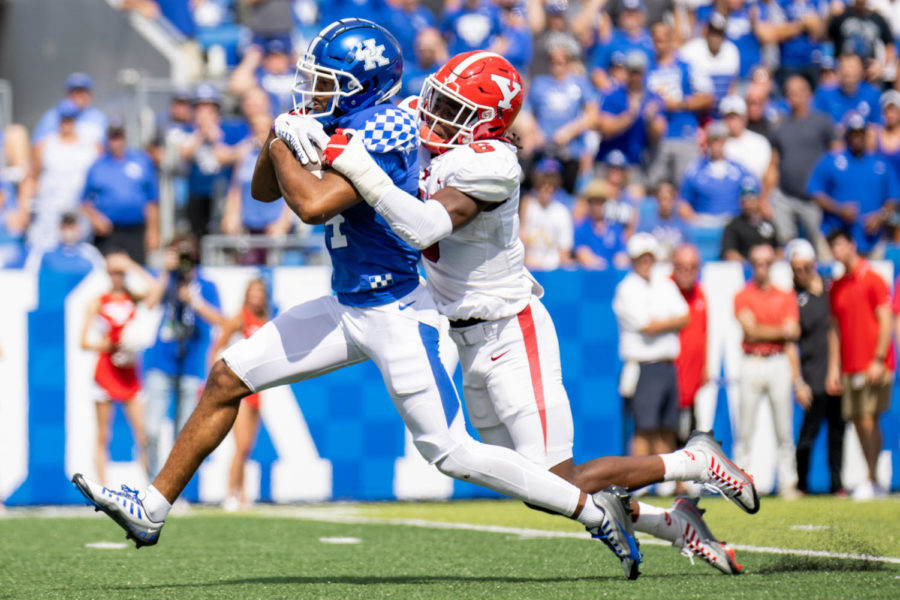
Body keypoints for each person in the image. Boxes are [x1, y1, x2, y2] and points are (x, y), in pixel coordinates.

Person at [74, 22, 647, 576]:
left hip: (398, 312)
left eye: (324, 81)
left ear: (361, 85)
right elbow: (262, 191)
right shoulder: (342, 117)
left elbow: (314, 204)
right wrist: (280, 135)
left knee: (450, 452)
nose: (311, 91)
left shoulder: (387, 129)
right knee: (227, 376)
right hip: (347, 305)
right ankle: (150, 508)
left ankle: (595, 511)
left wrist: (282, 141)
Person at [324, 52, 757, 576]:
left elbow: (420, 228)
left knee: (560, 479)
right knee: (538, 488)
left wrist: (355, 165)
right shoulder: (441, 134)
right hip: (468, 340)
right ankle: (676, 521)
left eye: (451, 108)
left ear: (487, 121)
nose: (433, 116)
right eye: (436, 100)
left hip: (510, 330)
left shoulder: (490, 163)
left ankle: (695, 462)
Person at [141, 233, 224, 478]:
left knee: (184, 433)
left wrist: (195, 302)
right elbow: (149, 302)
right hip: (162, 360)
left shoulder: (206, 285)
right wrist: (167, 272)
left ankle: (173, 489)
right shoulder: (168, 280)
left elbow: (220, 320)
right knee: (152, 429)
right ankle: (153, 483)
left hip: (191, 363)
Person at [827, 229, 893, 499]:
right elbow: (835, 329)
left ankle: (873, 478)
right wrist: (834, 367)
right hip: (850, 365)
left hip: (873, 363)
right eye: (833, 247)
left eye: (841, 244)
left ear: (852, 245)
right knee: (856, 420)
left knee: (869, 419)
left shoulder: (874, 280)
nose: (837, 251)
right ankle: (871, 476)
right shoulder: (838, 285)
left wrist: (879, 359)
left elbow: (886, 320)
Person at [80, 250, 154, 485]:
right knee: (103, 434)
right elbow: (83, 342)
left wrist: (131, 263)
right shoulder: (97, 302)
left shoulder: (133, 298)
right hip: (106, 371)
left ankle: (151, 488)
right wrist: (107, 344)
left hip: (129, 372)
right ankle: (103, 488)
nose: (117, 277)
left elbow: (155, 289)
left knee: (143, 434)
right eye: (113, 272)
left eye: (120, 273)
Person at [613, 234, 688, 463]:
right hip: (643, 367)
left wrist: (661, 323)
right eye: (641, 258)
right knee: (644, 427)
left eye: (649, 258)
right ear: (633, 260)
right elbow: (647, 325)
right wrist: (668, 322)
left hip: (666, 365)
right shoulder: (626, 289)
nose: (646, 263)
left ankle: (664, 482)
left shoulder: (664, 283)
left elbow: (684, 317)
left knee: (667, 426)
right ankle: (639, 483)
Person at [733, 243, 801, 498]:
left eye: (766, 263)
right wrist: (779, 330)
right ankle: (740, 486)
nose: (762, 268)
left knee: (783, 428)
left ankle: (788, 483)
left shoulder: (785, 295)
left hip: (776, 360)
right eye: (757, 263)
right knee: (745, 429)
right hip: (753, 360)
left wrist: (762, 330)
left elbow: (793, 330)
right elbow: (751, 331)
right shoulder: (742, 295)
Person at [784, 238, 845, 496]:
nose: (801, 273)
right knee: (808, 433)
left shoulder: (832, 291)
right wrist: (798, 380)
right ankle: (803, 485)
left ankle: (837, 484)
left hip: (835, 371)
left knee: (837, 431)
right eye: (795, 268)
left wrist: (837, 370)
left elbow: (838, 331)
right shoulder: (793, 297)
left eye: (805, 267)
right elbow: (790, 342)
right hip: (812, 372)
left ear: (814, 265)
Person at [209, 278, 270, 511]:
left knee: (248, 447)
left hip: (257, 388)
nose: (257, 296)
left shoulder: (265, 321)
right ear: (246, 295)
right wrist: (214, 380)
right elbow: (217, 347)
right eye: (253, 292)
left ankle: (243, 495)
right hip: (240, 387)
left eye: (260, 292)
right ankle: (230, 494)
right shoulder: (239, 319)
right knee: (241, 445)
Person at [807, 111, 899, 257]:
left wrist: (881, 216)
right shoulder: (832, 161)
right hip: (836, 240)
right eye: (853, 134)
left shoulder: (880, 164)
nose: (857, 138)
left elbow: (893, 197)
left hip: (870, 240)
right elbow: (815, 192)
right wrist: (838, 209)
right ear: (847, 136)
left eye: (860, 133)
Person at [16, 100, 101, 250]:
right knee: (45, 252)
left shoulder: (91, 147)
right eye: (64, 119)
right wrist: (23, 210)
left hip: (79, 214)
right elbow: (31, 179)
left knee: (81, 254)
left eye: (70, 119)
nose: (67, 123)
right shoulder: (45, 145)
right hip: (50, 213)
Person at [769, 75, 834, 248]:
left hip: (815, 198)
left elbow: (836, 156)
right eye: (790, 92)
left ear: (809, 94)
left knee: (821, 245)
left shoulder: (822, 122)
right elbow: (774, 164)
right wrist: (765, 196)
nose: (794, 96)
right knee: (785, 245)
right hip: (786, 195)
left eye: (799, 91)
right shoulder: (780, 127)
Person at [80, 122, 160, 264]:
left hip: (135, 230)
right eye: (113, 138)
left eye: (119, 137)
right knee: (106, 272)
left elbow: (152, 200)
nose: (116, 142)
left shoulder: (141, 161)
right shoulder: (98, 166)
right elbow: (83, 202)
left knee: (136, 274)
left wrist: (153, 231)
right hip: (108, 232)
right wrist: (96, 219)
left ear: (125, 138)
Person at [220, 112, 294, 264]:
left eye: (264, 130)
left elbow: (291, 189)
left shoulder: (283, 155)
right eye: (256, 129)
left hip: (274, 227)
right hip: (249, 226)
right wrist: (231, 215)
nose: (260, 134)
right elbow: (236, 188)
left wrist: (283, 222)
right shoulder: (245, 155)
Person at [679, 121, 755, 224]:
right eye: (714, 141)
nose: (718, 145)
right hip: (704, 223)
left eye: (721, 141)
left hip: (732, 223)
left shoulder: (738, 170)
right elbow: (683, 203)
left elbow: (754, 194)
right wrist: (696, 221)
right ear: (709, 142)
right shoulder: (695, 170)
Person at [671, 244, 707, 446]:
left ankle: (682, 479)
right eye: (681, 267)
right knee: (667, 432)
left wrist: (705, 366)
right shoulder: (665, 289)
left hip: (691, 378)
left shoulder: (700, 293)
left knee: (690, 434)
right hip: (669, 377)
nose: (687, 272)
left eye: (692, 267)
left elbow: (704, 332)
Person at [519, 158, 575, 271]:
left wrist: (547, 264)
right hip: (527, 268)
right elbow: (519, 242)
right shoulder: (526, 206)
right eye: (543, 182)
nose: (547, 187)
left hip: (553, 270)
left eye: (552, 183)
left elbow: (565, 252)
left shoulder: (562, 212)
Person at [31, 72, 108, 145]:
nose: (79, 95)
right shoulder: (52, 117)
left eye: (83, 91)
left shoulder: (99, 118)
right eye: (75, 91)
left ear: (90, 94)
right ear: (67, 94)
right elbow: (37, 147)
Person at [678, 13, 740, 104]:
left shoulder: (732, 51)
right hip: (700, 109)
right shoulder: (691, 51)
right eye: (713, 33)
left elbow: (733, 86)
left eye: (719, 34)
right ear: (706, 32)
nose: (716, 38)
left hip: (724, 108)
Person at [573, 179, 630, 270]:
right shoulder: (581, 229)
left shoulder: (615, 229)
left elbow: (621, 257)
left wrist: (617, 263)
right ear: (588, 204)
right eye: (593, 202)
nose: (597, 206)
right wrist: (604, 265)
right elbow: (584, 256)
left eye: (600, 202)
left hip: (612, 278)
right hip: (590, 278)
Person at [720, 178, 779, 262]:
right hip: (743, 269)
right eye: (744, 201)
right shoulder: (733, 225)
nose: (748, 204)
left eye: (751, 200)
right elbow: (729, 253)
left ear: (759, 200)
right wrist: (752, 266)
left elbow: (778, 250)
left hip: (767, 268)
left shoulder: (768, 223)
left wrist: (767, 263)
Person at [636, 180, 691, 261]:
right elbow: (639, 248)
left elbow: (689, 249)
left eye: (667, 199)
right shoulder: (647, 223)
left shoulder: (682, 224)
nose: (664, 204)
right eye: (661, 199)